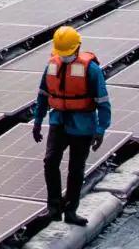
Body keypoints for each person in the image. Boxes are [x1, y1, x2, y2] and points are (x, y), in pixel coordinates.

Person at [29, 26, 111, 228]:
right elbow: (42, 95)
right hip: (58, 122)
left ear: (78, 48)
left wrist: (101, 130)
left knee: (76, 169)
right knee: (50, 161)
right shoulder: (52, 66)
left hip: (83, 127)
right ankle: (53, 208)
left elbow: (103, 102)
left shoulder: (91, 70)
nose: (64, 57)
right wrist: (38, 121)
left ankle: (71, 210)